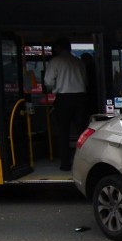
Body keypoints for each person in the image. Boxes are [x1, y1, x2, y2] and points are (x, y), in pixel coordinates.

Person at [44, 37, 88, 171]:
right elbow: (86, 81)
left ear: (58, 48)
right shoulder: (79, 62)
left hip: (64, 98)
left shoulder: (55, 61)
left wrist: (54, 87)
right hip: (81, 98)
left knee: (63, 132)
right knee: (83, 132)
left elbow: (48, 82)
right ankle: (85, 162)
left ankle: (65, 164)